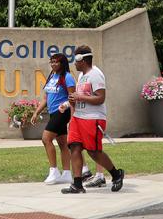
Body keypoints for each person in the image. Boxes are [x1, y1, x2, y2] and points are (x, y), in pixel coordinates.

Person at [62, 45, 125, 194]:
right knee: (74, 147)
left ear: (82, 60)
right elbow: (79, 96)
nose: (74, 64)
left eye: (76, 60)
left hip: (93, 119)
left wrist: (79, 97)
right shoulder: (81, 76)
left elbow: (100, 98)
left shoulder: (96, 75)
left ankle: (116, 174)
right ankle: (77, 184)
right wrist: (68, 102)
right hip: (78, 117)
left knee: (93, 151)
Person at [30, 53, 76, 185]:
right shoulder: (51, 77)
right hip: (53, 112)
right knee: (62, 143)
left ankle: (54, 171)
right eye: (52, 62)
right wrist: (36, 112)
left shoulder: (68, 78)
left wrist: (72, 117)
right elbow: (45, 98)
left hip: (62, 112)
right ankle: (67, 173)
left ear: (62, 63)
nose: (53, 64)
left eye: (56, 62)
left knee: (46, 139)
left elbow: (73, 98)